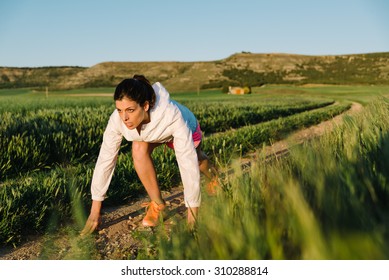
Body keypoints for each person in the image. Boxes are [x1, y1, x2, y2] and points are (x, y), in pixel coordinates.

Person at [81, 75, 218, 235]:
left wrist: (192, 218)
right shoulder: (117, 120)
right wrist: (94, 211)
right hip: (149, 134)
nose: (124, 117)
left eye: (130, 110)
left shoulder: (171, 116)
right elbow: (105, 160)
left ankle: (214, 177)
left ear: (145, 106)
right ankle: (159, 206)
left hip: (182, 127)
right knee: (138, 148)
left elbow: (187, 165)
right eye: (119, 110)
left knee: (197, 160)